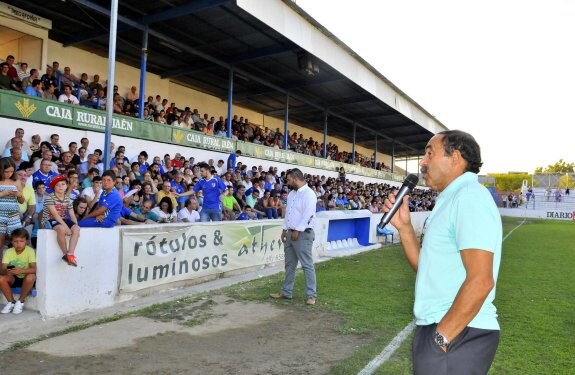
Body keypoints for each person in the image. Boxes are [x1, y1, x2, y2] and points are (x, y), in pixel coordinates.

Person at [383, 130, 501, 374]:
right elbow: (427, 268)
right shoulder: (451, 198)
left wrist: (441, 339)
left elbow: (481, 280)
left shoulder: (468, 197)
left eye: (429, 154)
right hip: (447, 330)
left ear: (455, 158)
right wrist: (405, 228)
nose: (422, 162)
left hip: (458, 332)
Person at [270, 168, 317, 305]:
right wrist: (285, 230)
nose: (288, 182)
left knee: (307, 265)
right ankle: (286, 291)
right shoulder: (291, 194)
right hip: (290, 232)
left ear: (296, 178)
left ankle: (311, 295)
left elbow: (308, 215)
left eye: (289, 180)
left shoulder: (309, 194)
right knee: (289, 264)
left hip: (303, 233)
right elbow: (288, 214)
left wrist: (297, 230)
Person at [41, 175, 81, 266]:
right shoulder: (49, 198)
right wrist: (66, 227)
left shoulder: (67, 199)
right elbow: (54, 215)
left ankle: (70, 254)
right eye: (57, 185)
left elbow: (72, 215)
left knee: (77, 229)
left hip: (62, 219)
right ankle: (65, 254)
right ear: (54, 187)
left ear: (67, 186)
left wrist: (76, 227)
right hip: (49, 219)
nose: (60, 187)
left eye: (63, 184)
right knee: (61, 229)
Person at [0, 228, 36, 314]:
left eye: (21, 241)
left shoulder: (30, 251)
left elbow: (34, 269)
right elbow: (2, 269)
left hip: (26, 278)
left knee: (31, 276)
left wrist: (21, 270)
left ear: (27, 241)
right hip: (13, 278)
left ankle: (20, 301)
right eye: (15, 241)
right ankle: (11, 302)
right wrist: (6, 271)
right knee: (1, 278)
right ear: (11, 242)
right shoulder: (9, 252)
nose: (18, 244)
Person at [0, 158, 25, 251]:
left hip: (13, 215)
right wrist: (3, 193)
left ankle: (16, 264)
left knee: (18, 242)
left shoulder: (16, 182)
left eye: (12, 171)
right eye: (6, 171)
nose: (9, 174)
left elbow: (22, 201)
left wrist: (18, 194)